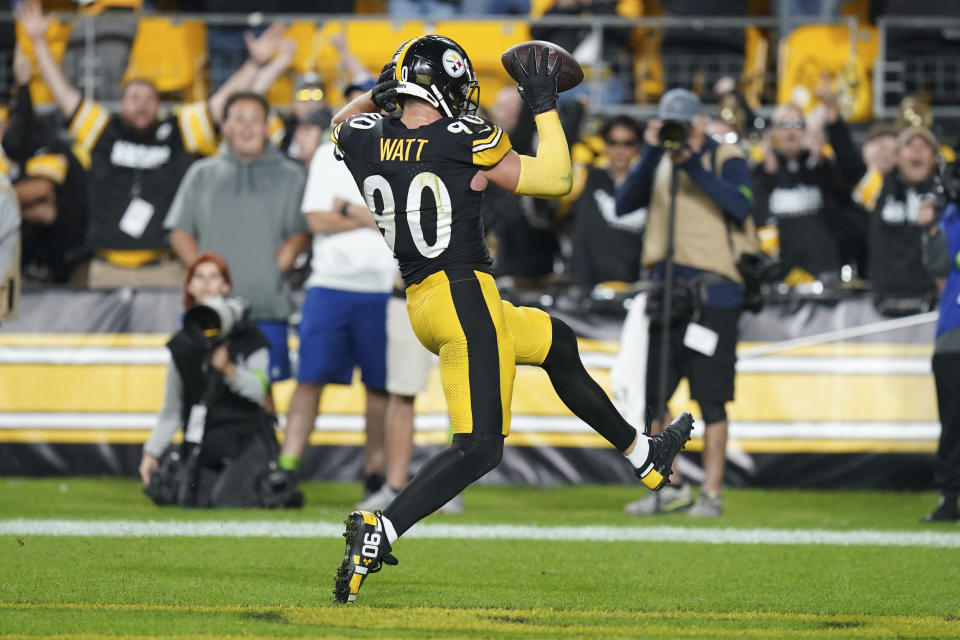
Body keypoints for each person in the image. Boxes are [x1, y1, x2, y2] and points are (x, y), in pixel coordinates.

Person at [329, 35, 693, 603]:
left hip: (424, 301)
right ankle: (382, 531)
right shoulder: (464, 137)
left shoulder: (361, 136)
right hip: (463, 294)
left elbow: (340, 121)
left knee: (557, 343)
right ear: (444, 88)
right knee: (480, 447)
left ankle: (644, 455)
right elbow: (555, 180)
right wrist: (544, 104)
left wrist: (378, 96)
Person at [18, 2, 294, 288]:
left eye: (149, 98)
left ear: (159, 106)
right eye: (134, 97)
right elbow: (63, 94)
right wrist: (38, 42)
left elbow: (220, 102)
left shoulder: (177, 131)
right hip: (105, 268)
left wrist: (254, 65)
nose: (141, 104)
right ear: (120, 104)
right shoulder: (102, 129)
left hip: (163, 270)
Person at [616, 88, 757, 518]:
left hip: (713, 295)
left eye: (681, 123)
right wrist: (650, 151)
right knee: (654, 397)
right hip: (667, 292)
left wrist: (690, 162)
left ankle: (711, 493)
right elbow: (624, 204)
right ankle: (664, 485)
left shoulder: (724, 157)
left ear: (700, 123)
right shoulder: (658, 160)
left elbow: (741, 205)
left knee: (712, 399)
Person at [276, 119, 397, 500]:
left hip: (383, 286)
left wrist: (345, 208)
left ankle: (374, 475)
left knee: (380, 387)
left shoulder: (401, 154)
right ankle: (286, 468)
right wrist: (373, 217)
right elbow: (315, 219)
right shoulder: (330, 155)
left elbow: (402, 223)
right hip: (330, 285)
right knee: (310, 380)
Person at [165, 92, 309, 387]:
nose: (247, 126)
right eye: (239, 118)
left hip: (267, 309)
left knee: (263, 396)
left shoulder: (291, 175)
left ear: (268, 125)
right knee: (197, 392)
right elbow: (180, 233)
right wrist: (207, 276)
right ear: (225, 126)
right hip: (207, 314)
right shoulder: (200, 173)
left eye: (255, 119)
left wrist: (271, 269)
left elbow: (300, 234)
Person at [139, 253, 279, 508]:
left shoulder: (250, 336)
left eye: (214, 277)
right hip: (204, 440)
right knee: (186, 499)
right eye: (199, 276)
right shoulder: (182, 344)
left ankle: (270, 479)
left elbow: (261, 391)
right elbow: (172, 410)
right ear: (189, 287)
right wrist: (151, 453)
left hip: (246, 439)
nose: (206, 283)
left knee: (228, 499)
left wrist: (229, 370)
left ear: (226, 287)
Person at [3, 46, 88, 284]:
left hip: (69, 258)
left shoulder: (48, 144)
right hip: (34, 263)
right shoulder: (13, 155)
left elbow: (41, 191)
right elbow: (36, 209)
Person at [752, 103, 849, 284]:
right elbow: (756, 217)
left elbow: (845, 200)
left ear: (806, 130)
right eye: (784, 124)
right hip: (779, 275)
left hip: (822, 272)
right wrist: (768, 176)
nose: (791, 131)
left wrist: (820, 164)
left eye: (798, 124)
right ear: (773, 131)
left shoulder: (820, 166)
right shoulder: (762, 171)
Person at [567, 114, 645, 289]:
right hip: (587, 286)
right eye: (612, 142)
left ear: (638, 146)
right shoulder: (587, 177)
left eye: (628, 143)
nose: (619, 149)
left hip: (633, 286)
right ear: (604, 145)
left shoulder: (647, 185)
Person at [918, 195, 960, 521]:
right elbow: (937, 269)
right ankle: (949, 498)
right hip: (953, 336)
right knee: (952, 425)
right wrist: (932, 226)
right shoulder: (949, 215)